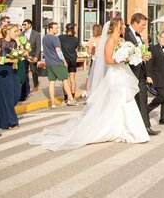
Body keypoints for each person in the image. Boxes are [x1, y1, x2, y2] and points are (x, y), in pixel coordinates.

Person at [28, 16, 149, 151]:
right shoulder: (110, 41)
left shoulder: (122, 40)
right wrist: (123, 59)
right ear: (116, 26)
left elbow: (125, 56)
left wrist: (133, 56)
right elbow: (108, 61)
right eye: (122, 26)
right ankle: (117, 129)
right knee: (118, 101)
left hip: (122, 73)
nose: (124, 29)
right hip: (115, 75)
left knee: (126, 100)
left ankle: (127, 130)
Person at [124, 13, 158, 135]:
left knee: (142, 99)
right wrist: (140, 56)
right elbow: (125, 53)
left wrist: (145, 54)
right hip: (130, 73)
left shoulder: (137, 35)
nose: (144, 27)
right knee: (132, 101)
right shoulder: (125, 34)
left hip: (140, 73)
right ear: (135, 23)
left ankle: (146, 126)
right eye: (142, 25)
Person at [0, 24, 20, 130]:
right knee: (6, 96)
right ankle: (11, 121)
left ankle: (0, 118)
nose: (17, 33)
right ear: (8, 31)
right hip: (1, 71)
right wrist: (9, 60)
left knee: (16, 95)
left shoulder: (13, 43)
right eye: (15, 31)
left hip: (12, 70)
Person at [43, 22, 75, 109]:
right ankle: (71, 99)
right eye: (56, 28)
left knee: (51, 83)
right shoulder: (55, 38)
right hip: (57, 62)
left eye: (57, 28)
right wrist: (64, 60)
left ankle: (53, 103)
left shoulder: (44, 38)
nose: (57, 29)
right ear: (50, 28)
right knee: (65, 80)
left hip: (49, 63)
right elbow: (58, 51)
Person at [146, 31, 164, 125]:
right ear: (159, 38)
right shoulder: (153, 49)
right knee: (161, 96)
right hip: (158, 77)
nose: (163, 39)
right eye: (162, 37)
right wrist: (148, 75)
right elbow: (149, 63)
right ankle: (146, 110)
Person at [59, 23, 80, 99]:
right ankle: (73, 96)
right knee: (72, 79)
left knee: (65, 80)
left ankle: (66, 97)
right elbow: (75, 48)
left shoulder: (60, 37)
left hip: (64, 60)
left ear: (66, 29)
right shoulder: (75, 38)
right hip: (72, 60)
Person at [21, 19, 41, 94]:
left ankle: (36, 84)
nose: (23, 26)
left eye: (25, 24)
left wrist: (36, 56)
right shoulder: (22, 34)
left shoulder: (36, 34)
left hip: (33, 55)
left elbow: (38, 47)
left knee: (34, 71)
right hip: (24, 55)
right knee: (25, 71)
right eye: (23, 24)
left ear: (29, 25)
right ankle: (26, 87)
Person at [84, 23, 103, 94]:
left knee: (91, 75)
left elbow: (89, 51)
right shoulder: (103, 39)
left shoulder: (91, 40)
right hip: (102, 59)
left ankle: (88, 90)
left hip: (95, 59)